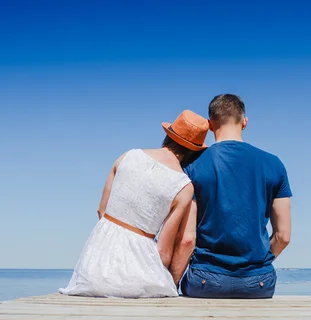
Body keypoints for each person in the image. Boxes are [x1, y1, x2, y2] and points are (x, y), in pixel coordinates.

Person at [59, 110, 209, 298]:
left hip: (93, 272)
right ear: (194, 152)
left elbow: (101, 210)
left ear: (168, 135)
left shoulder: (128, 156)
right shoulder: (184, 186)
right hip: (139, 278)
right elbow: (163, 251)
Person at [174, 94, 292, 298]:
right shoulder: (274, 164)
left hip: (205, 281)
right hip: (259, 283)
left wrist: (170, 280)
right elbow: (283, 236)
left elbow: (187, 238)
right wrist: (256, 268)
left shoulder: (191, 166)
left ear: (210, 124)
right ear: (244, 122)